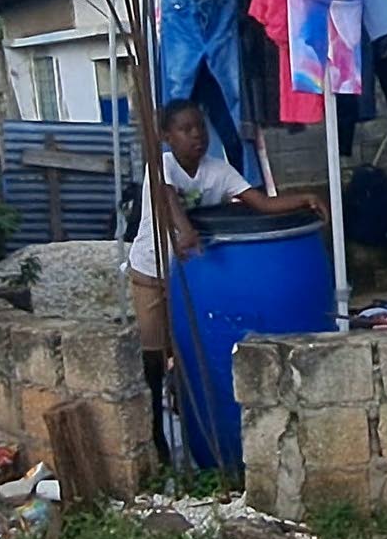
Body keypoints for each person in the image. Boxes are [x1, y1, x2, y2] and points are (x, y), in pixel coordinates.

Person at [127, 99, 328, 465]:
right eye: (185, 130)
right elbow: (165, 196)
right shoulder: (162, 167)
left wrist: (305, 198)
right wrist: (184, 229)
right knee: (154, 356)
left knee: (192, 354)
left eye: (200, 128)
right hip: (153, 274)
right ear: (166, 136)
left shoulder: (217, 171)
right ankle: (154, 430)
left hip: (193, 278)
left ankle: (185, 415)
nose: (196, 136)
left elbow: (260, 204)